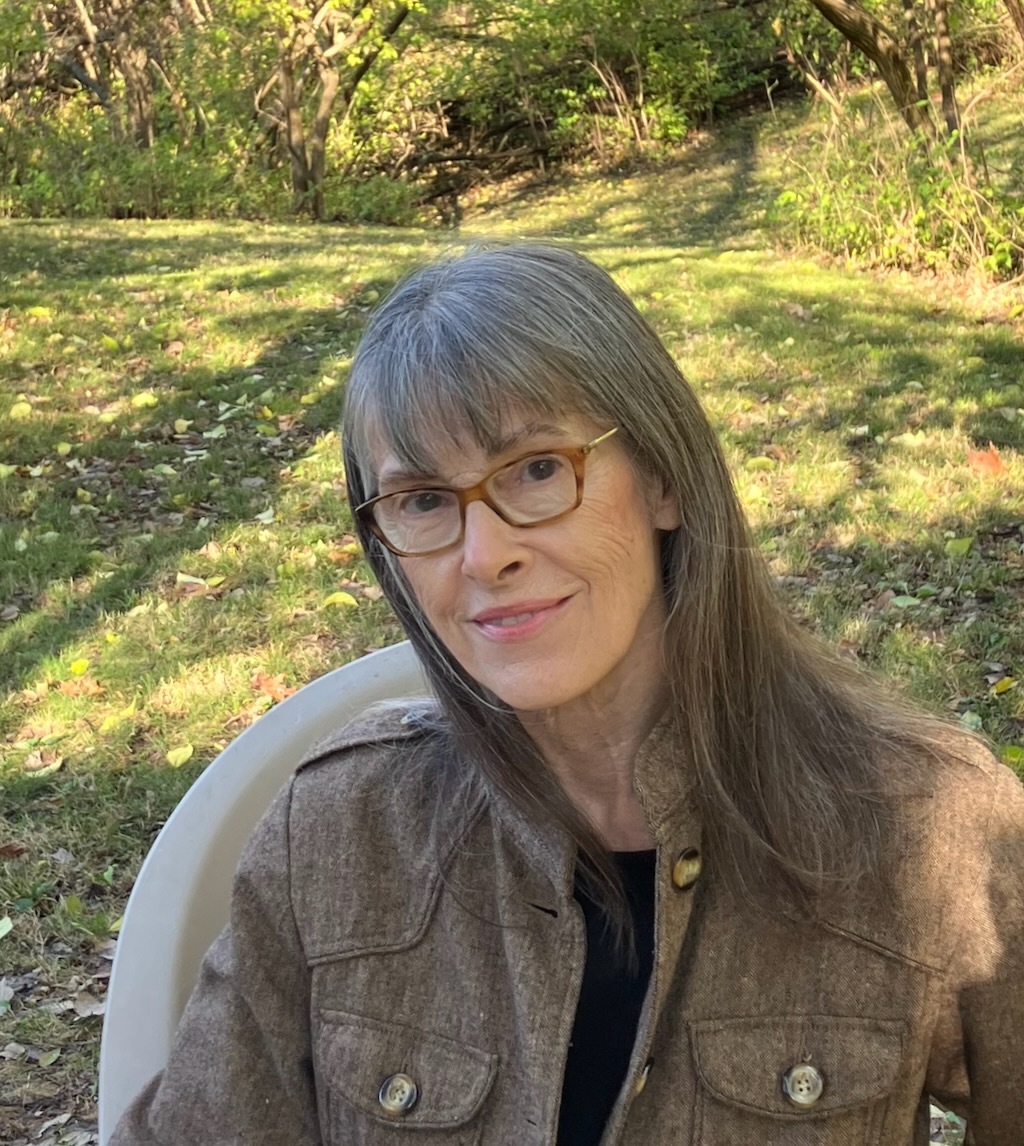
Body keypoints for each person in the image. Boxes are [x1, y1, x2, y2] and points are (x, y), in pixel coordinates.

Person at [110, 243, 1024, 1145]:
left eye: (539, 469)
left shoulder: (929, 827)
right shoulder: (337, 834)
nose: (484, 554)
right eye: (424, 499)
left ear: (663, 477)